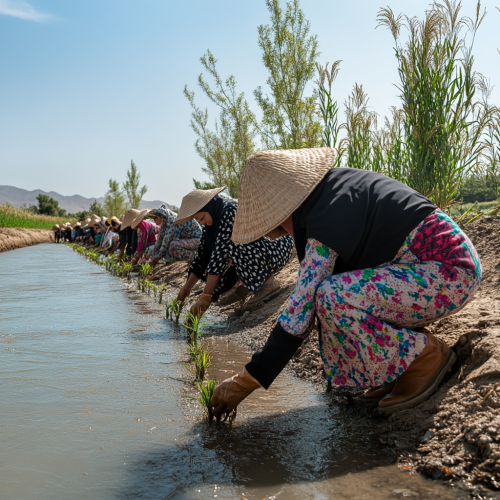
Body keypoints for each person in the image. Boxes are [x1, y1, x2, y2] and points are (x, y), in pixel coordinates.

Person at [210, 147, 482, 420]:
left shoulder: (328, 211)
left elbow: (301, 308)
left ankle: (423, 357)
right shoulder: (330, 193)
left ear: (281, 208)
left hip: (449, 274)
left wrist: (244, 381)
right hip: (426, 272)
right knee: (333, 293)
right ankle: (395, 365)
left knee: (331, 296)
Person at [173, 187, 295, 319]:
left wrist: (205, 297)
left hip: (275, 247)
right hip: (259, 252)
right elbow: (202, 257)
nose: (202, 223)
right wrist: (186, 289)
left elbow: (220, 254)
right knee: (212, 265)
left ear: (208, 207)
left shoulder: (228, 211)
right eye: (199, 221)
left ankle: (268, 284)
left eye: (201, 218)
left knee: (233, 246)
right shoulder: (210, 225)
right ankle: (248, 286)